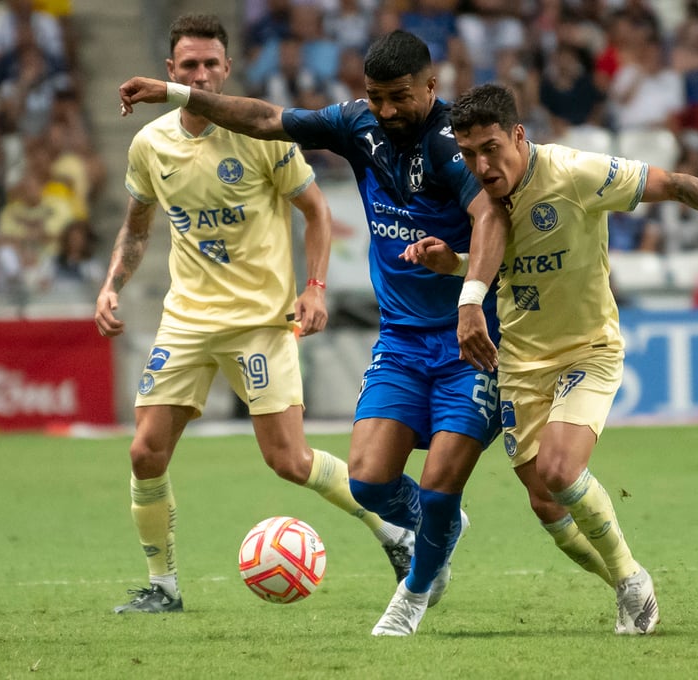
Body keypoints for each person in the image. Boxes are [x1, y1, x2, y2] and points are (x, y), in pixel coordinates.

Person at [117, 29, 513, 636]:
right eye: (375, 97)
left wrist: (468, 300)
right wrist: (172, 93)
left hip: (460, 334)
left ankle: (429, 584)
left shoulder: (448, 144)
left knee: (515, 483)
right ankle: (163, 584)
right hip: (396, 337)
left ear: (431, 87)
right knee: (368, 480)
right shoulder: (358, 124)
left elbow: (489, 214)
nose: (385, 110)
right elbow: (267, 116)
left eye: (398, 97)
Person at [403, 83, 698, 635]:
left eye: (492, 148)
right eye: (470, 154)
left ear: (519, 136)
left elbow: (680, 185)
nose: (482, 164)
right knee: (545, 505)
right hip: (520, 365)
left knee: (561, 471)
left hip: (586, 350)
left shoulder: (575, 174)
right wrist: (454, 264)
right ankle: (625, 579)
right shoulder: (488, 200)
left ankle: (631, 582)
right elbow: (509, 263)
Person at [96, 14, 413, 616]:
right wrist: (113, 284)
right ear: (172, 71)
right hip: (186, 321)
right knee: (144, 454)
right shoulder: (150, 144)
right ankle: (163, 587)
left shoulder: (261, 134)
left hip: (259, 323)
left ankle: (395, 531)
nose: (201, 72)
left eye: (211, 62)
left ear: (228, 67)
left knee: (288, 461)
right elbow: (135, 231)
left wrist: (315, 288)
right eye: (189, 65)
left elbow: (317, 213)